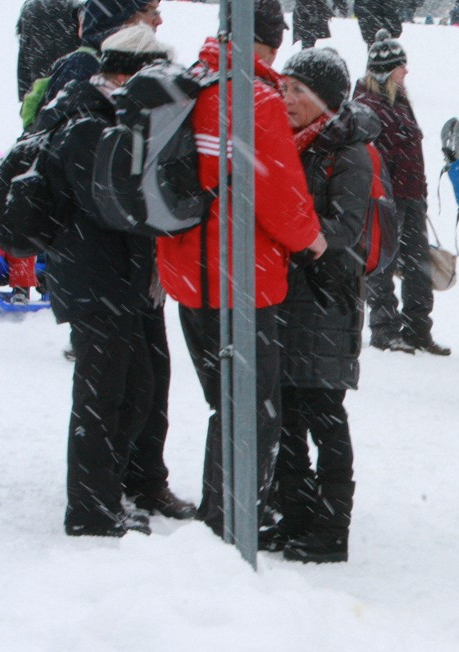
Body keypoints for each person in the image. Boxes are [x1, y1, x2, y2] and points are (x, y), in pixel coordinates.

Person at [157, 0, 327, 538]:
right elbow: (280, 196)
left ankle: (224, 512)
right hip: (240, 279)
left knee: (223, 402)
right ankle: (233, 520)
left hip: (187, 273)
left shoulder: (188, 82)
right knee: (251, 410)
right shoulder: (253, 98)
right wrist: (314, 241)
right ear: (271, 43)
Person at [38, 25, 171, 536]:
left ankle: (120, 487)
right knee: (104, 393)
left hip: (116, 276)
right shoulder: (86, 120)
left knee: (136, 385)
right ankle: (91, 508)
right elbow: (114, 205)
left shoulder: (106, 114)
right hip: (95, 279)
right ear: (129, 74)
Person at [267, 48, 374, 563]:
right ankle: (296, 515)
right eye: (283, 88)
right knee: (284, 413)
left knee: (323, 412)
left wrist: (289, 236)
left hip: (327, 299)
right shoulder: (286, 142)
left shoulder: (346, 149)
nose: (285, 98)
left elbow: (345, 230)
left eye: (297, 91)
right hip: (286, 297)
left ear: (324, 100)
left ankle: (332, 529)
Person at [353, 31, 449, 356]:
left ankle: (419, 330)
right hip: (383, 202)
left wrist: (418, 196)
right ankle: (384, 330)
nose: (406, 72)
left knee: (418, 268)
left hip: (410, 199)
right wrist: (383, 198)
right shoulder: (366, 108)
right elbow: (368, 161)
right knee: (382, 267)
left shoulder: (399, 102)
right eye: (400, 67)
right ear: (384, 71)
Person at [43, 0, 161, 107]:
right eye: (151, 11)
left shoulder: (130, 65)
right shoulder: (83, 66)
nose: (159, 21)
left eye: (158, 12)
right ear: (118, 16)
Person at [16, 0, 82, 102]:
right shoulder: (78, 6)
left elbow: (23, 62)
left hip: (41, 92)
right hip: (75, 86)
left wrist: (25, 95)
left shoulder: (30, 8)